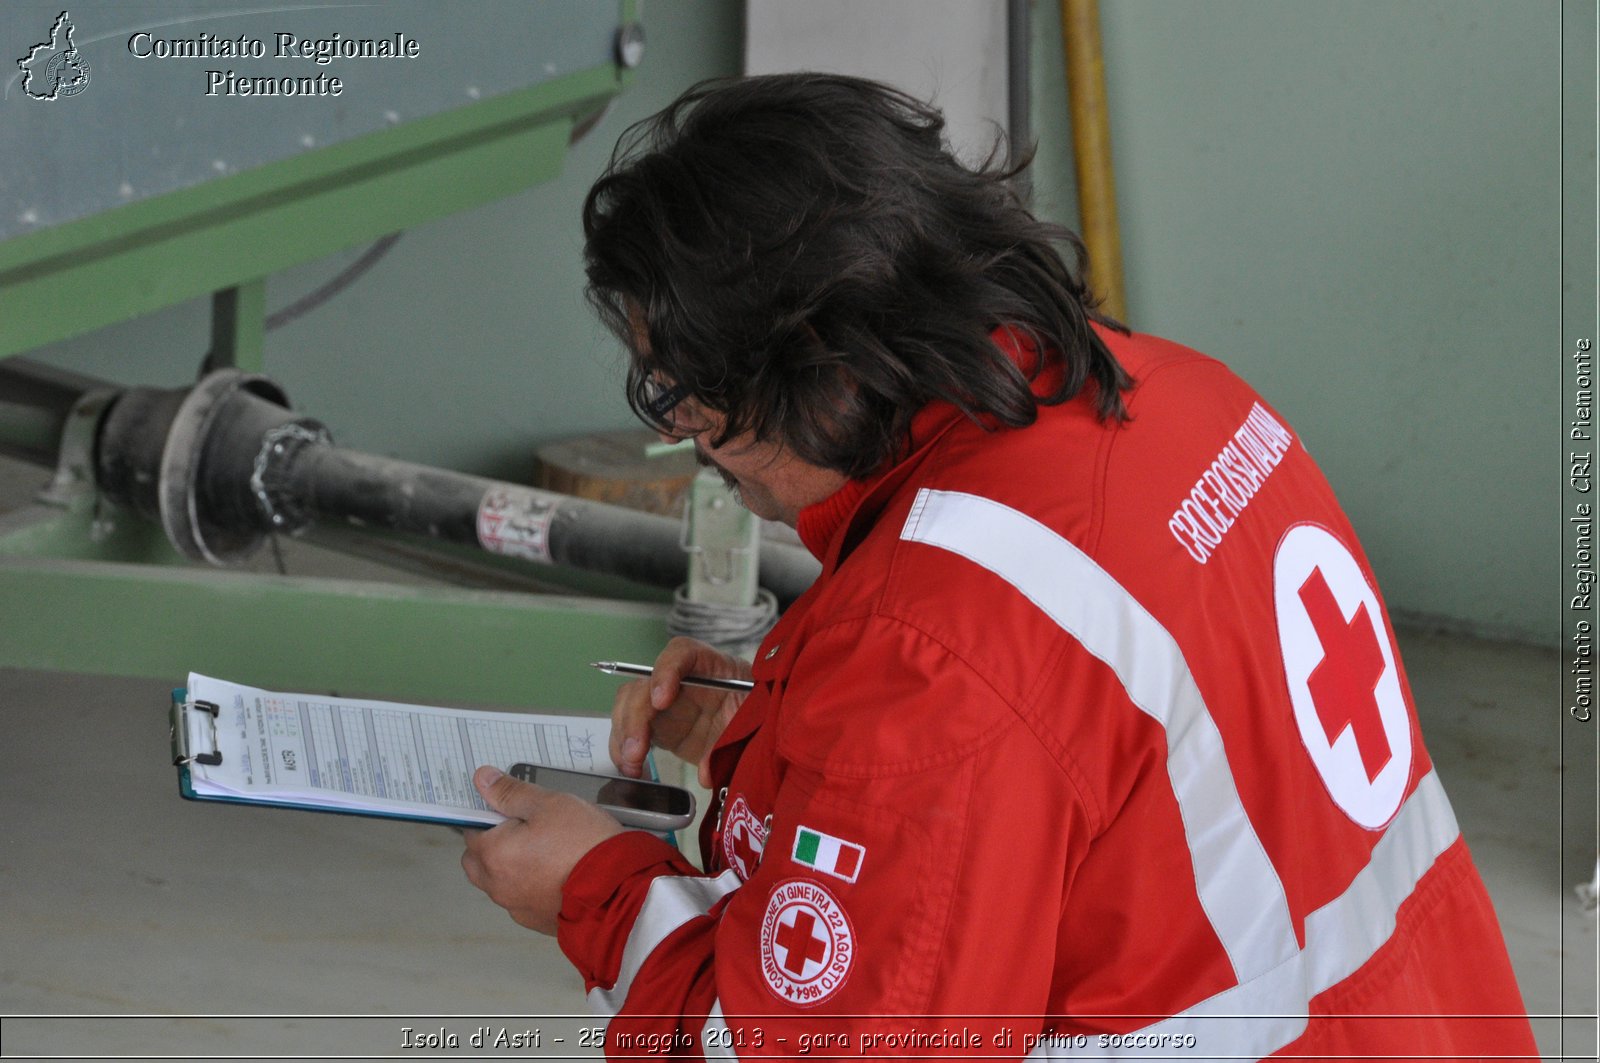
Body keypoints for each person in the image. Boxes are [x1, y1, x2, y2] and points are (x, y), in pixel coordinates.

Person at [460, 72, 1538, 1059]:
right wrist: (800, 731)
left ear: (817, 367)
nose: (685, 433)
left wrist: (597, 893)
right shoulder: (1174, 392)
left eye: (681, 395)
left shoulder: (931, 647)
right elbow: (1101, 749)